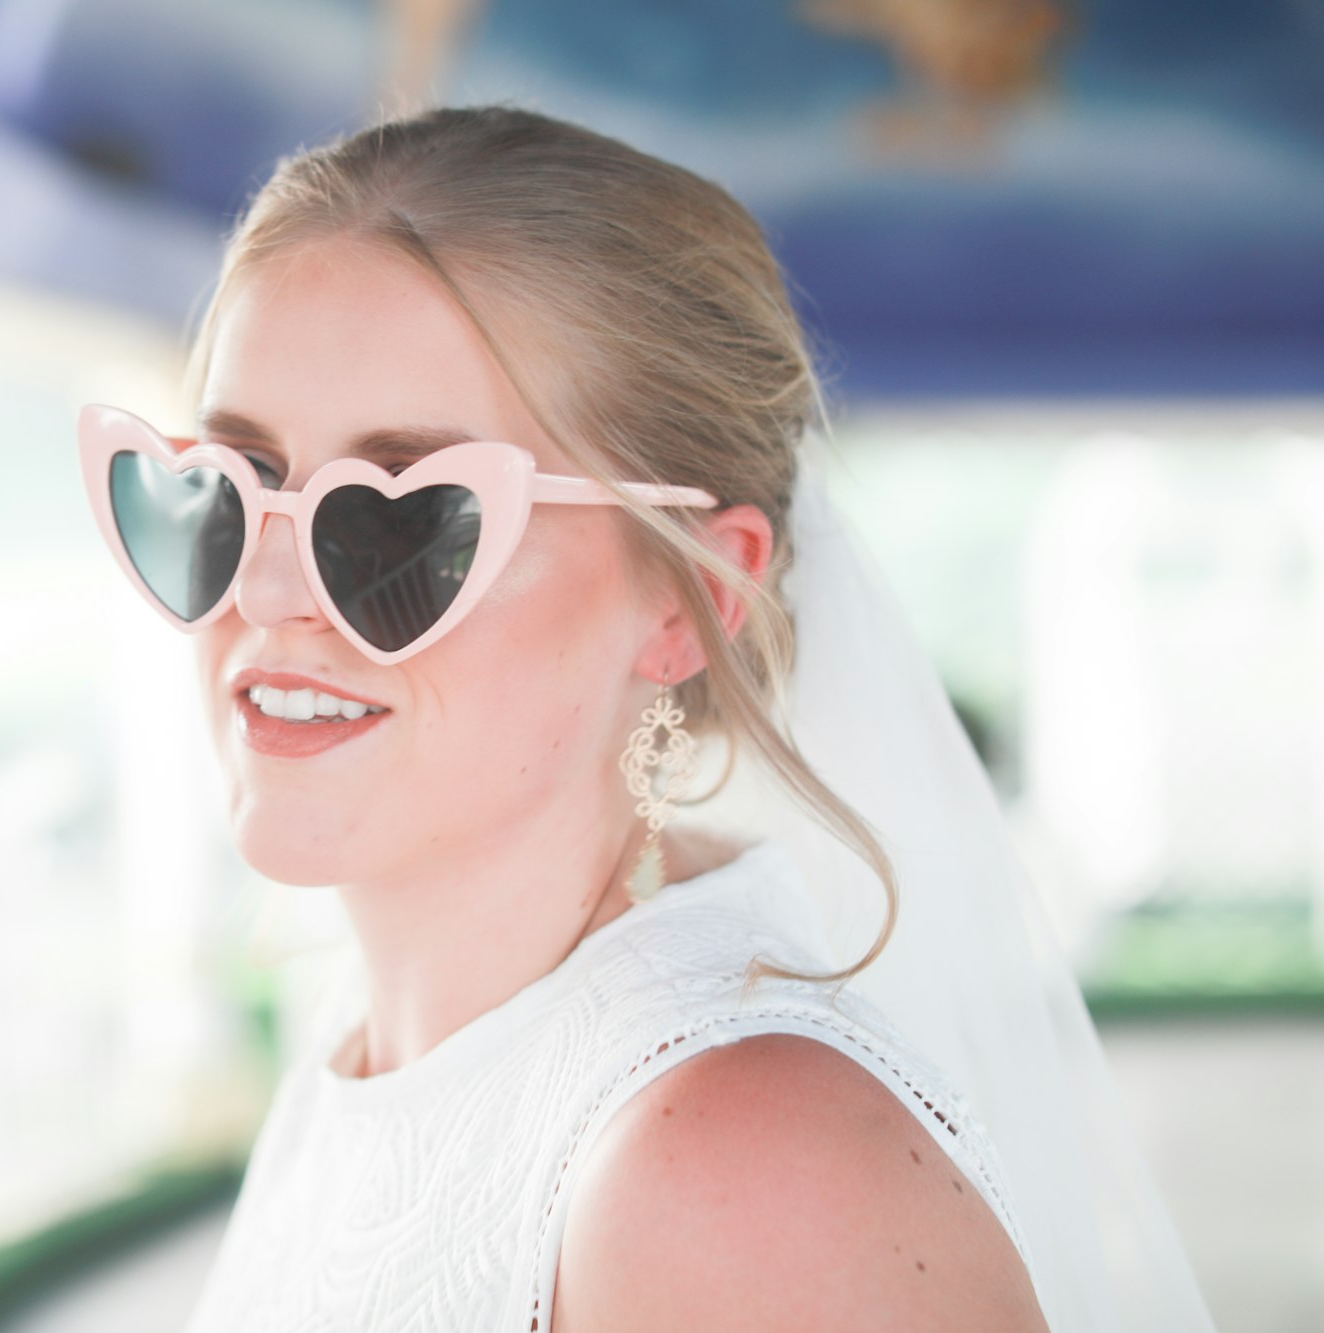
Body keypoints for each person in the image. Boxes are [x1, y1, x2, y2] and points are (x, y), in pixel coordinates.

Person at [76, 105, 1212, 1330]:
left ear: (689, 595)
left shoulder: (740, 1172)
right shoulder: (358, 1066)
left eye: (402, 520)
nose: (266, 588)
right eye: (226, 488)